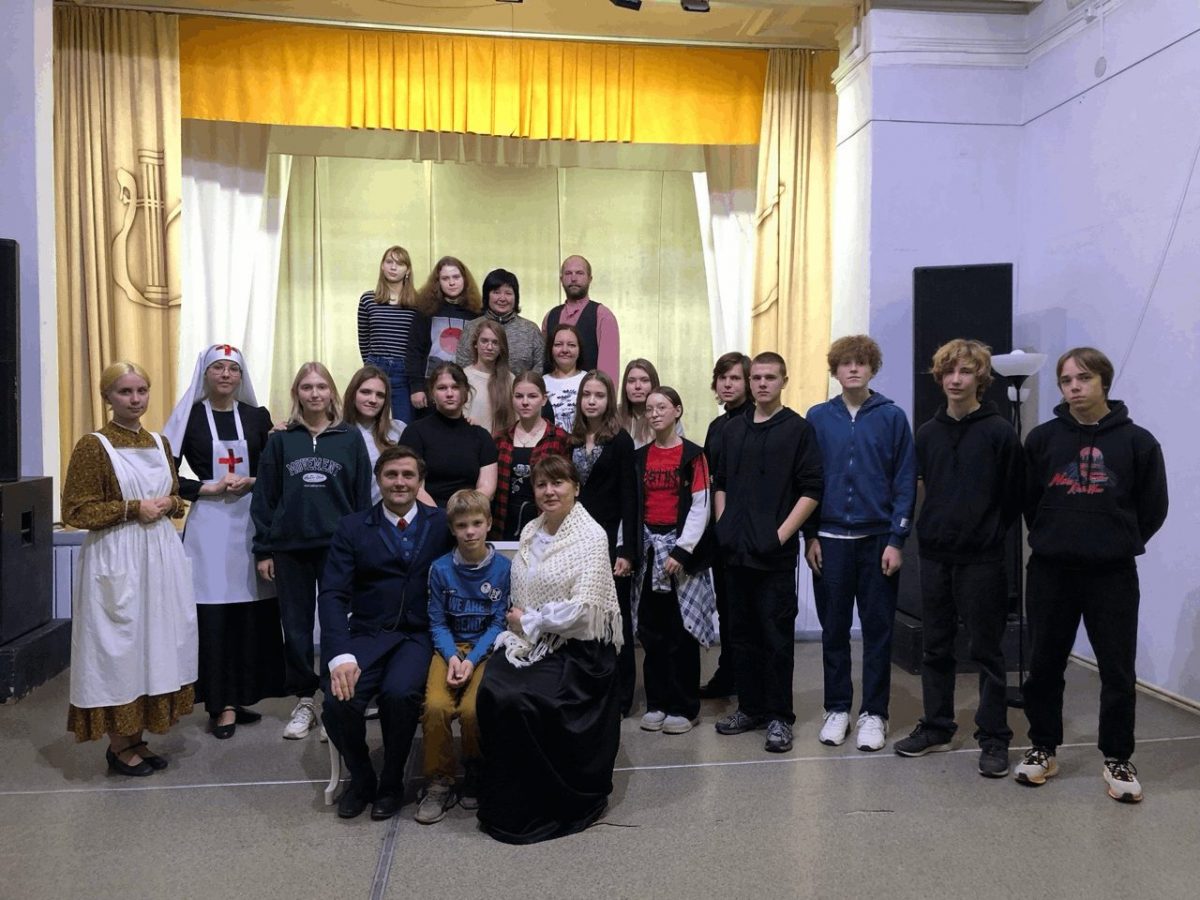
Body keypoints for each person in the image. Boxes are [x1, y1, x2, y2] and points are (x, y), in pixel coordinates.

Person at [1014, 347, 1167, 803]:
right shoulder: (1042, 439)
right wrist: (1053, 535)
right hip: (1051, 571)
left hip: (1112, 574)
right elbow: (1029, 500)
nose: (1075, 387)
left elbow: (1153, 507)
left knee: (1117, 670)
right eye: (1066, 380)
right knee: (1044, 666)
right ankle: (1043, 748)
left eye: (1083, 378)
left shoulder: (1138, 442)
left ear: (1104, 382)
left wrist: (1117, 540)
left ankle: (1118, 757)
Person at [476, 455, 624, 844]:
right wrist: (525, 625)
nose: (549, 491)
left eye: (558, 483)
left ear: (576, 487)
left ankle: (550, 801)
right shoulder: (531, 529)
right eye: (541, 484)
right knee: (493, 687)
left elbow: (582, 611)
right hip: (532, 641)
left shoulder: (591, 536)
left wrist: (529, 620)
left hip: (578, 651)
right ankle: (507, 797)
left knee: (520, 698)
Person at [892, 339, 1022, 777]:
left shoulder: (1000, 432)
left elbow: (1013, 497)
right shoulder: (928, 432)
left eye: (965, 371)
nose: (955, 379)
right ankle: (937, 727)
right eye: (948, 371)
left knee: (987, 651)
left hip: (982, 559)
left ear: (980, 378)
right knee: (936, 647)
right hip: (935, 556)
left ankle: (994, 736)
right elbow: (925, 488)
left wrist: (986, 533)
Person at [62, 361, 197, 775]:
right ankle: (118, 744)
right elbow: (76, 511)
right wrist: (133, 508)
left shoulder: (159, 442)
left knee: (155, 643)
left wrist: (170, 503)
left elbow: (174, 494)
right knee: (120, 647)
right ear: (107, 397)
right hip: (117, 555)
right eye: (125, 392)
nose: (135, 399)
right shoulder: (94, 446)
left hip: (159, 554)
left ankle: (137, 737)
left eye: (141, 391)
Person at [318, 446, 457, 820]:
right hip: (367, 633)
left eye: (408, 475)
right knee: (338, 700)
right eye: (391, 474)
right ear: (378, 480)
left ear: (420, 481)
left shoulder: (442, 523)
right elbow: (332, 594)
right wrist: (340, 654)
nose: (400, 482)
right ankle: (362, 778)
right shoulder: (352, 527)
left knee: (400, 694)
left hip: (418, 636)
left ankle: (392, 781)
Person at [164, 344, 284, 740]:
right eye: (218, 368)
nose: (226, 375)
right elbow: (165, 474)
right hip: (209, 528)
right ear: (205, 374)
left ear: (241, 376)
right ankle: (219, 702)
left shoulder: (256, 416)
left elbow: (274, 468)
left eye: (233, 369)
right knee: (213, 615)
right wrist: (206, 488)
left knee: (248, 613)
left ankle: (239, 694)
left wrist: (253, 481)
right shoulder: (190, 417)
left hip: (250, 523)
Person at [804, 335, 917, 753]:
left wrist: (897, 539)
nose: (853, 369)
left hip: (877, 541)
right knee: (833, 630)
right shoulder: (818, 417)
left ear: (872, 368)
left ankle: (874, 713)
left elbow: (905, 480)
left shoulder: (892, 417)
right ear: (835, 370)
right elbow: (808, 480)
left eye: (861, 362)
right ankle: (837, 708)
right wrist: (810, 535)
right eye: (845, 363)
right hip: (830, 541)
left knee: (877, 631)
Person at [251, 362, 372, 741]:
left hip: (338, 548)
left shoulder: (350, 438)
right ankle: (305, 699)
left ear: (332, 392)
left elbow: (361, 498)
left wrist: (362, 547)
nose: (315, 393)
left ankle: (335, 699)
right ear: (297, 394)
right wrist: (264, 549)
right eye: (307, 387)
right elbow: (265, 498)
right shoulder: (281, 441)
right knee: (297, 628)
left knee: (337, 624)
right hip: (290, 548)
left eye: (321, 386)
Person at [713, 352, 823, 754]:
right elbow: (721, 481)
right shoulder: (732, 429)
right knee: (740, 635)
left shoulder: (798, 430)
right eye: (756, 377)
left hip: (773, 556)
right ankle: (750, 708)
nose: (762, 384)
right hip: (735, 552)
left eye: (770, 377)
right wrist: (724, 525)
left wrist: (780, 537)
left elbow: (812, 489)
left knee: (775, 637)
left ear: (783, 381)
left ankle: (779, 716)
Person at [415, 489, 510, 825]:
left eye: (476, 523)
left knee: (473, 710)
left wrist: (471, 660)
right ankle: (439, 781)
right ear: (452, 529)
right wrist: (454, 657)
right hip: (449, 648)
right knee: (436, 706)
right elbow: (437, 622)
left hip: (486, 649)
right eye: (461, 526)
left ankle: (475, 769)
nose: (470, 532)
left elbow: (498, 623)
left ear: (489, 524)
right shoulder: (440, 569)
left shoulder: (504, 569)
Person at [630, 387, 716, 736]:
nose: (654, 413)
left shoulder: (694, 455)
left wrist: (682, 551)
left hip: (680, 553)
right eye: (649, 408)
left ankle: (684, 707)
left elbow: (701, 505)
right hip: (649, 551)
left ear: (677, 410)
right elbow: (632, 507)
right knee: (652, 632)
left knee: (681, 632)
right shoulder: (639, 457)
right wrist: (627, 549)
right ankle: (657, 703)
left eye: (662, 407)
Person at [571, 370, 638, 716]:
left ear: (609, 400)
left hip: (612, 539)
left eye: (599, 395)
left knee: (615, 616)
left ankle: (622, 696)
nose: (592, 401)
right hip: (576, 540)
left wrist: (627, 551)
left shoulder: (620, 441)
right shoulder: (571, 439)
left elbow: (630, 498)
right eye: (587, 395)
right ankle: (588, 689)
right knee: (583, 616)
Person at [698, 352, 752, 700]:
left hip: (750, 530)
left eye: (735, 378)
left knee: (748, 611)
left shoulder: (756, 420)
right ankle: (728, 672)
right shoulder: (717, 426)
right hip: (721, 529)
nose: (728, 384)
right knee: (728, 607)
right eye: (723, 378)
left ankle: (750, 680)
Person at [401, 363, 499, 507]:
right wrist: (438, 515)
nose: (449, 394)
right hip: (427, 514)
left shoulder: (481, 436)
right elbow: (412, 485)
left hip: (470, 513)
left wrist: (461, 514)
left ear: (465, 391)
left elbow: (487, 488)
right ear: (432, 393)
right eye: (442, 388)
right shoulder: (414, 432)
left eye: (455, 387)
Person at [492, 372, 571, 541]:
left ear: (543, 399)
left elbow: (568, 487)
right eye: (519, 396)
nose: (525, 402)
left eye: (532, 396)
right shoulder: (500, 439)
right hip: (504, 523)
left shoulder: (560, 438)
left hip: (546, 524)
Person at [408, 256, 482, 413]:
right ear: (438, 282)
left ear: (464, 279)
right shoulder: (425, 310)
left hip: (467, 386)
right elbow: (414, 350)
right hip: (430, 387)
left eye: (456, 277)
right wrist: (416, 387)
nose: (451, 282)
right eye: (445, 278)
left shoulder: (476, 313)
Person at [357, 245, 421, 423]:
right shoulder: (368, 299)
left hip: (404, 370)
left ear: (408, 270)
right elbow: (364, 339)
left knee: (405, 423)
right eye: (389, 262)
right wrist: (370, 366)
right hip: (375, 366)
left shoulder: (417, 302)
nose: (393, 267)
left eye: (400, 264)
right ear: (382, 266)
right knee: (369, 422)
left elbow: (419, 343)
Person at [541, 254, 620, 381]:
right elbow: (544, 363)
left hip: (589, 393)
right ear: (561, 279)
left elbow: (608, 374)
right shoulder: (550, 316)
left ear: (590, 279)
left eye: (579, 273)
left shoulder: (603, 316)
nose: (573, 278)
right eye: (568, 273)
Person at [456, 268, 544, 377]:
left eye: (508, 293)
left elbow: (540, 365)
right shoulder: (472, 327)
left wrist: (524, 385)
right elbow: (462, 364)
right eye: (496, 292)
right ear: (487, 296)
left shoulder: (530, 329)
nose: (502, 298)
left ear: (516, 297)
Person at [341, 365, 406, 506]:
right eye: (366, 392)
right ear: (353, 393)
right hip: (348, 511)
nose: (373, 400)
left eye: (380, 395)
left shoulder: (398, 429)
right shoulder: (335, 431)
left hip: (389, 512)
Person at [462, 320, 515, 435]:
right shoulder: (463, 377)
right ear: (475, 344)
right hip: (470, 439)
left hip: (500, 442)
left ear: (501, 347)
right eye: (484, 341)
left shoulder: (510, 379)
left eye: (495, 342)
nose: (489, 347)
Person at [620, 358, 683, 448]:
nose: (637, 386)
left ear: (654, 384)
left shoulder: (667, 416)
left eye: (644, 380)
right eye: (631, 381)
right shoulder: (614, 415)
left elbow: (677, 450)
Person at [542, 324, 587, 432]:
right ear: (550, 349)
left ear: (579, 350)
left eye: (571, 345)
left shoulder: (588, 380)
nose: (565, 350)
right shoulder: (542, 382)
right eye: (558, 344)